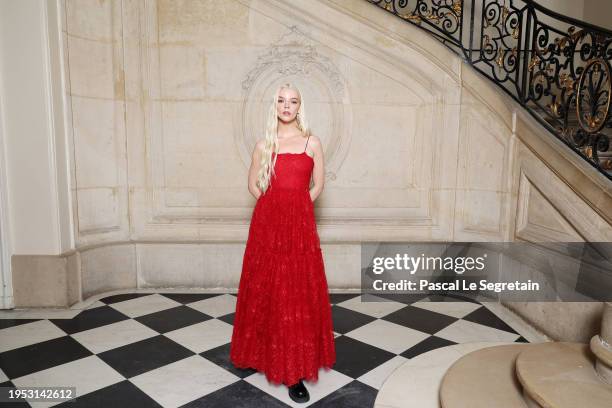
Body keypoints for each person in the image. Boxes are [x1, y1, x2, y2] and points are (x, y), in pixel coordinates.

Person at [229, 83, 336, 403]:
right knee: (268, 287)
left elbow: (319, 183)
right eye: (281, 101)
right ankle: (262, 354)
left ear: (300, 107)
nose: (286, 106)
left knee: (296, 293)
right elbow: (252, 185)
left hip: (300, 227)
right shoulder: (265, 144)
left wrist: (300, 206)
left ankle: (294, 372)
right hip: (268, 226)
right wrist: (274, 207)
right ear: (274, 106)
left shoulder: (312, 142)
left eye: (292, 101)